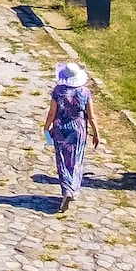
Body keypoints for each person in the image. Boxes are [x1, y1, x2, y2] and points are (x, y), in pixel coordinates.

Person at [42, 63, 96, 212]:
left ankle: (66, 189)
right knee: (76, 159)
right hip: (78, 128)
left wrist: (47, 126)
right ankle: (73, 188)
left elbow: (52, 113)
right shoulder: (85, 92)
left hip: (61, 128)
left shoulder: (58, 91)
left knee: (62, 160)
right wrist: (96, 132)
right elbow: (91, 116)